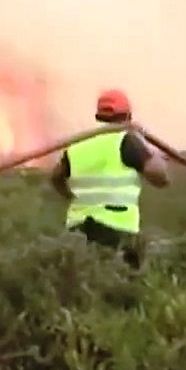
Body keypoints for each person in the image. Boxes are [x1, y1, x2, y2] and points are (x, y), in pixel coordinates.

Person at [50, 89, 169, 267]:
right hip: (116, 229)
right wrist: (149, 149)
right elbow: (161, 178)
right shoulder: (126, 141)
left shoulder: (79, 144)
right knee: (120, 282)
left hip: (78, 229)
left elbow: (56, 177)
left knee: (84, 279)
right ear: (128, 115)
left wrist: (73, 197)